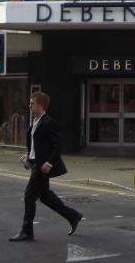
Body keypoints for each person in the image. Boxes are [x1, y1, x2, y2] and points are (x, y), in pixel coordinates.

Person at [9, 90, 82, 242]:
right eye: (29, 103)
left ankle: (27, 231)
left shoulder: (48, 122)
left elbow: (58, 145)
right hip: (36, 164)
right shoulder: (35, 122)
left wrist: (49, 162)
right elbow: (37, 145)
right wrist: (29, 156)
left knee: (29, 196)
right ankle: (73, 216)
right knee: (45, 197)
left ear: (41, 105)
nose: (29, 106)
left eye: (32, 103)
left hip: (42, 166)